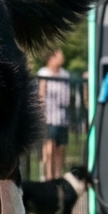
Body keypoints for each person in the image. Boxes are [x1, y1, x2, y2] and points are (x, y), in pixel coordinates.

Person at [37, 49, 71, 180]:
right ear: (51, 58)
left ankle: (57, 177)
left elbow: (66, 98)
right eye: (59, 54)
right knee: (49, 148)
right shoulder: (43, 73)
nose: (62, 57)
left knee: (59, 149)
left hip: (61, 118)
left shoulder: (65, 75)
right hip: (48, 117)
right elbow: (41, 94)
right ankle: (48, 177)